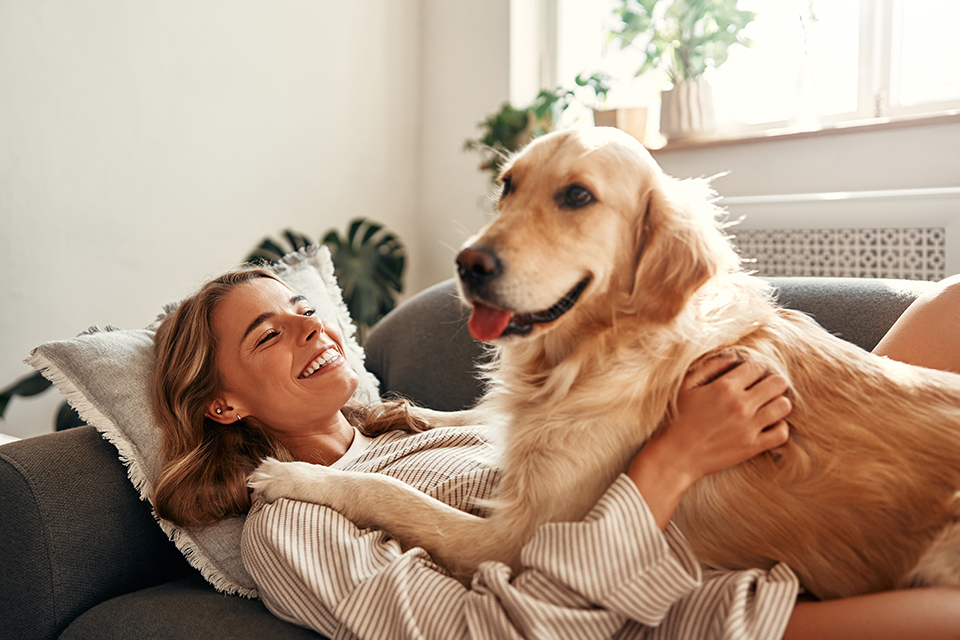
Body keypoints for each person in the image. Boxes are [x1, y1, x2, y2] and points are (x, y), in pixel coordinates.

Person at [151, 267, 960, 639]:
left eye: (303, 310)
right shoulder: (289, 518)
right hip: (686, 598)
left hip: (744, 480)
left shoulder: (418, 428)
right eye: (269, 333)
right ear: (224, 404)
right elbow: (488, 633)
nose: (310, 328)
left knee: (953, 299)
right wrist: (674, 459)